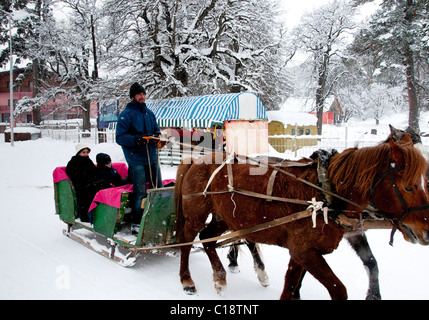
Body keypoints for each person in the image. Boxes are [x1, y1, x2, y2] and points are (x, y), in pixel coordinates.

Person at [116, 82, 163, 233]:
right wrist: (137, 139)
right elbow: (120, 137)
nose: (142, 96)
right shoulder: (126, 115)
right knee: (141, 192)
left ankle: (157, 218)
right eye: (139, 94)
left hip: (152, 157)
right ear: (132, 97)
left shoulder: (149, 113)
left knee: (158, 189)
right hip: (135, 158)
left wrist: (157, 138)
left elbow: (156, 130)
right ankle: (136, 223)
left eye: (143, 94)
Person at [66, 143, 101, 222]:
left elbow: (94, 172)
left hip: (90, 184)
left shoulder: (88, 161)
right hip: (81, 186)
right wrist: (85, 181)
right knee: (86, 197)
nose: (86, 154)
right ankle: (86, 217)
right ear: (79, 153)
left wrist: (94, 180)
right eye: (83, 152)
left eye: (87, 152)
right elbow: (73, 174)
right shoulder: (73, 162)